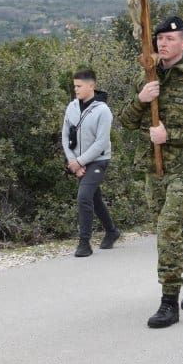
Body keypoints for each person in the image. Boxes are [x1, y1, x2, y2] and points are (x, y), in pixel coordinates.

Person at [118, 16, 183, 329]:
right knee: (170, 231)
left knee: (167, 227)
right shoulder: (147, 77)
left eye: (170, 39)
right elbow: (126, 121)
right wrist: (141, 101)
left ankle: (168, 301)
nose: (163, 43)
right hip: (154, 167)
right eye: (160, 38)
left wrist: (171, 135)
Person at [62, 68, 121, 258]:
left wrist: (80, 161)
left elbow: (101, 142)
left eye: (79, 86)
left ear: (91, 86)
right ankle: (111, 231)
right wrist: (73, 160)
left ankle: (84, 243)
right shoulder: (71, 107)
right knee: (94, 197)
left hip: (98, 161)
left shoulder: (103, 111)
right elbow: (65, 135)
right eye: (74, 86)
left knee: (84, 197)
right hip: (78, 162)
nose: (76, 90)